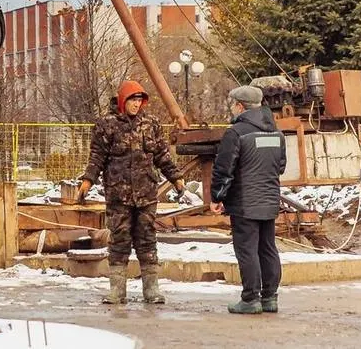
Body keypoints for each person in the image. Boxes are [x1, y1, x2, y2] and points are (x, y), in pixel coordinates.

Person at [80, 80, 185, 305]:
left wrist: (176, 178)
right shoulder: (106, 124)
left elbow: (162, 156)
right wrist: (88, 180)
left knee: (147, 239)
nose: (137, 105)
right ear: (122, 100)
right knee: (119, 240)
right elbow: (97, 156)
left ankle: (152, 290)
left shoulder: (151, 124)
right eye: (132, 100)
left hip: (146, 193)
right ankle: (117, 291)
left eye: (140, 100)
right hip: (118, 195)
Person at [209, 84, 287, 314]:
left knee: (247, 250)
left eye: (234, 104)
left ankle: (250, 299)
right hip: (269, 199)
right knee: (268, 248)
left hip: (244, 202)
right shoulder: (276, 132)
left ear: (240, 106)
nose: (233, 108)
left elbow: (224, 169)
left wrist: (217, 197)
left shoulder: (236, 133)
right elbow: (280, 167)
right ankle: (270, 298)